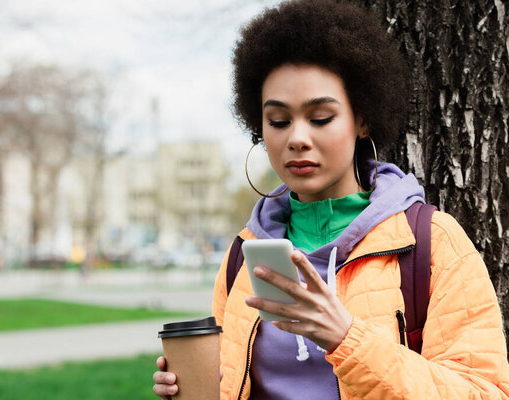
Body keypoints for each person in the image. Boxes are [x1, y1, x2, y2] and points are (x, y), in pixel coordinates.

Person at [153, 0, 509, 398]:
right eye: (278, 121)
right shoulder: (245, 252)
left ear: (362, 119)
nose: (297, 138)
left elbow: (484, 391)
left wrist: (347, 338)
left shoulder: (432, 240)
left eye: (320, 118)